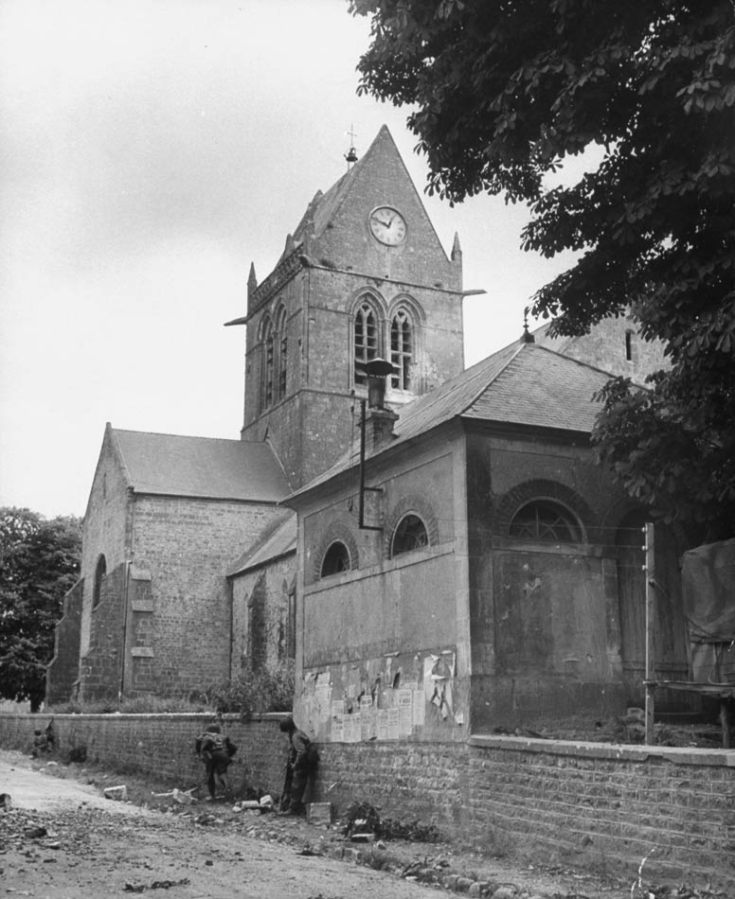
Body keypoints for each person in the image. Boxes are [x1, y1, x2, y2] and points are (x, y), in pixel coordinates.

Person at [279, 717, 317, 816]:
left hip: (303, 764)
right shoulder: (298, 733)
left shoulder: (295, 736)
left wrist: (295, 764)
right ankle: (295, 807)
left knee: (296, 786)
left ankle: (293, 809)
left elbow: (301, 751)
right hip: (304, 763)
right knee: (297, 786)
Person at [194, 722, 237, 801]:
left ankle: (213, 796)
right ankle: (227, 790)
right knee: (221, 773)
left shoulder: (205, 735)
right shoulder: (223, 736)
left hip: (212, 756)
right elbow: (234, 747)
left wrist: (199, 754)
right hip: (224, 756)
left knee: (210, 775)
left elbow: (198, 743)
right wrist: (228, 756)